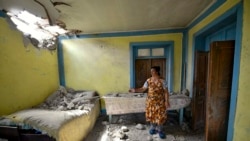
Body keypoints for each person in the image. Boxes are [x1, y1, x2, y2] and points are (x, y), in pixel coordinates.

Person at [129, 66, 170, 139]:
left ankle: (160, 130)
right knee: (152, 115)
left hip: (160, 102)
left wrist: (167, 101)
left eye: (153, 71)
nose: (151, 72)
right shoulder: (148, 80)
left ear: (157, 71)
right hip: (150, 102)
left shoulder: (162, 81)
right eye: (151, 71)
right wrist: (134, 90)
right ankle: (153, 128)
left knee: (160, 116)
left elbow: (166, 92)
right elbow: (143, 89)